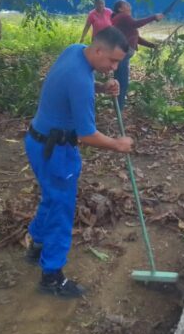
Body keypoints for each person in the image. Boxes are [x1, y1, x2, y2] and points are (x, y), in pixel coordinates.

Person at [24, 27, 133, 297]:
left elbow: (68, 86)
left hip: (36, 141)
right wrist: (118, 144)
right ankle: (52, 277)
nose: (114, 67)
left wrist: (101, 86)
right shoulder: (81, 82)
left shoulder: (74, 50)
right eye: (112, 61)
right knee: (61, 209)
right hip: (56, 151)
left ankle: (36, 245)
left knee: (50, 198)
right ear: (98, 50)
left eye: (118, 63)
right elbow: (88, 135)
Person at [110, 0, 163, 110]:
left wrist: (152, 46)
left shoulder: (122, 20)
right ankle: (118, 109)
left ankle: (118, 106)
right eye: (126, 4)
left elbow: (136, 38)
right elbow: (136, 24)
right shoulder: (123, 17)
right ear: (120, 8)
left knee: (120, 81)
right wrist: (153, 17)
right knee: (122, 83)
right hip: (122, 54)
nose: (129, 5)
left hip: (122, 54)